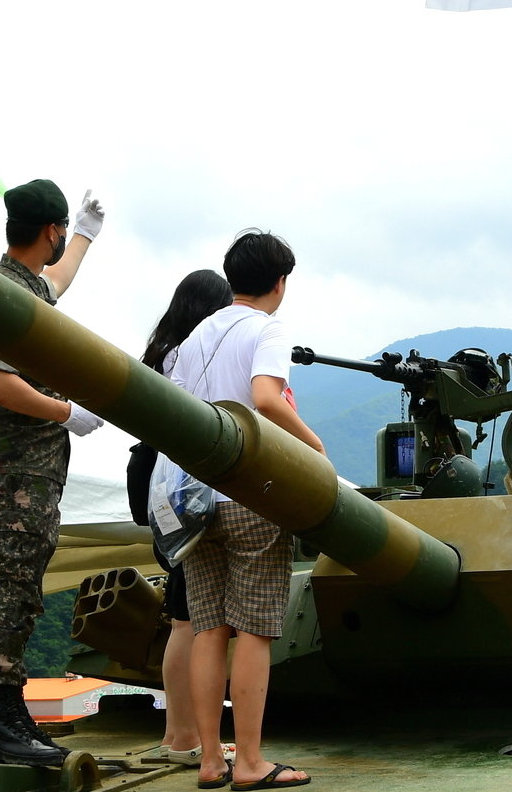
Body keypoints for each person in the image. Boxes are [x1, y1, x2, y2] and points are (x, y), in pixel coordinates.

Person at [172, 230, 321, 790]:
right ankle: (252, 763)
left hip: (194, 499)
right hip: (251, 492)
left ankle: (212, 761)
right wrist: (314, 446)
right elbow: (264, 397)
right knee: (254, 631)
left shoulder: (193, 338)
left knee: (209, 628)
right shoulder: (268, 328)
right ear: (279, 283)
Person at [0, 179, 107, 766]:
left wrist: (84, 236)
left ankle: (10, 709)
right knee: (11, 588)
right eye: (62, 234)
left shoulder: (24, 285)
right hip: (15, 469)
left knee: (22, 588)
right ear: (46, 232)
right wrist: (66, 412)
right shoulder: (4, 293)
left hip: (30, 471)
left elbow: (55, 280)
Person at [127, 269, 236, 767]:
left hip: (154, 485)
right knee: (190, 619)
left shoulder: (160, 350)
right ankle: (187, 733)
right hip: (182, 486)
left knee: (181, 616)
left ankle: (178, 732)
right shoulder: (190, 356)